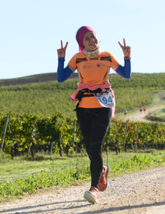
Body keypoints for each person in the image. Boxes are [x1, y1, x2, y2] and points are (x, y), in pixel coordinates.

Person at [56, 25, 131, 204]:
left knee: (96, 146)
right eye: (87, 38)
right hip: (83, 106)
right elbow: (61, 77)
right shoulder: (78, 58)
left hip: (103, 105)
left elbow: (126, 74)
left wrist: (127, 57)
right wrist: (61, 59)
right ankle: (102, 170)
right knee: (89, 147)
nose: (92, 40)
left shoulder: (107, 56)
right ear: (82, 43)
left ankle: (94, 189)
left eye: (93, 36)